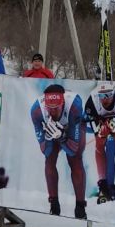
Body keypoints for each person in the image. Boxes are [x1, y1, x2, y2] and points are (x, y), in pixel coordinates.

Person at [31, 83, 87, 219]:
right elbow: (45, 150)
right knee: (49, 160)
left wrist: (62, 137)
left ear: (63, 103)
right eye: (49, 108)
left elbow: (73, 150)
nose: (52, 112)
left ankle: (80, 207)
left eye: (56, 108)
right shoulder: (36, 110)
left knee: (75, 160)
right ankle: (54, 204)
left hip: (72, 126)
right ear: (45, 105)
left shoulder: (74, 105)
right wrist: (50, 136)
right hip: (51, 130)